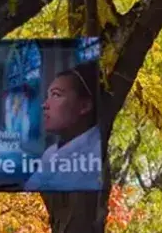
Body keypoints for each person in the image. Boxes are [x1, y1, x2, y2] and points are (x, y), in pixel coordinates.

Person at [23, 60, 103, 191]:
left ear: (85, 106)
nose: (45, 105)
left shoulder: (99, 157)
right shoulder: (50, 152)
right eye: (48, 96)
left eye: (56, 95)